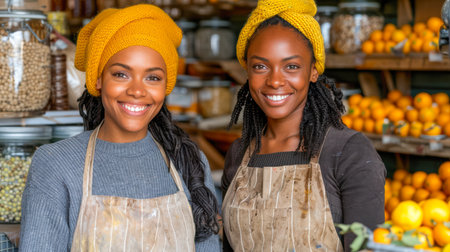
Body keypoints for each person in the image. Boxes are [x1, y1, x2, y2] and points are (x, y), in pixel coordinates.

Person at [19, 4, 220, 251]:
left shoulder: (189, 161)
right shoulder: (56, 164)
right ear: (98, 79)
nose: (137, 90)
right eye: (121, 74)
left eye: (153, 77)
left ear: (166, 86)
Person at [221, 0, 386, 251]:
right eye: (260, 66)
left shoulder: (349, 152)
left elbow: (369, 247)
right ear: (247, 71)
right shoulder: (239, 153)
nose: (275, 81)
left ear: (313, 71)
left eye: (292, 66)